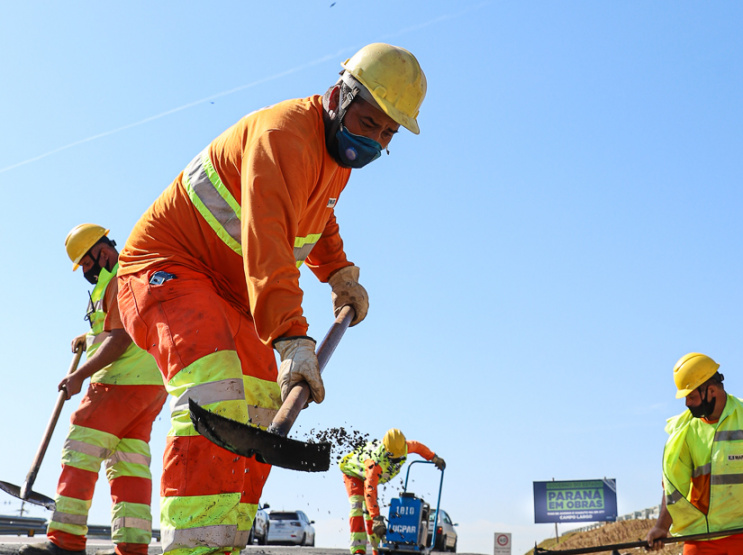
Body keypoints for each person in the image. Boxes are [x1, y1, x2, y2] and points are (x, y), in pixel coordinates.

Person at [115, 43, 426, 555]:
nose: (373, 139)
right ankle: (191, 549)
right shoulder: (283, 136)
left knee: (261, 409)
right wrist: (292, 339)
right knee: (217, 390)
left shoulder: (333, 161)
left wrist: (340, 275)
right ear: (338, 96)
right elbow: (270, 246)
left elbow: (317, 217)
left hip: (233, 295)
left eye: (387, 133)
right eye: (368, 122)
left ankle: (225, 543)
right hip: (167, 268)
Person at [21, 225, 167, 555]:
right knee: (129, 463)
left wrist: (80, 375)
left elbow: (121, 338)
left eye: (86, 264)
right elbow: (113, 330)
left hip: (120, 382)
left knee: (81, 444)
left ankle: (66, 542)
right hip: (151, 388)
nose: (84, 272)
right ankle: (132, 548)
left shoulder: (117, 280)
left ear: (102, 253)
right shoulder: (130, 277)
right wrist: (86, 338)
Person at [645, 353, 743, 555]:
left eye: (691, 396)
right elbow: (673, 489)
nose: (687, 403)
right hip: (701, 537)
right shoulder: (683, 431)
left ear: (711, 391)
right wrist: (661, 526)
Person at [339, 428, 445, 555]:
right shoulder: (374, 462)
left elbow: (418, 447)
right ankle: (358, 550)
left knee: (370, 513)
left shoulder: (404, 447)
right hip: (354, 473)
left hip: (371, 479)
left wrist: (433, 457)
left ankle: (376, 550)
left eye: (398, 458)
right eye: (393, 458)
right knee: (358, 507)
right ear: (386, 450)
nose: (396, 461)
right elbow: (369, 491)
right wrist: (377, 518)